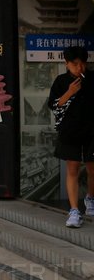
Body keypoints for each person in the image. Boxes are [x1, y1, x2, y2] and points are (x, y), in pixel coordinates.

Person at [49, 46, 94, 228]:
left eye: (82, 63)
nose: (80, 67)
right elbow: (53, 105)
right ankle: (74, 210)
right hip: (70, 131)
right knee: (73, 169)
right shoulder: (61, 81)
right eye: (75, 64)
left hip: (92, 131)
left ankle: (90, 199)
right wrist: (69, 92)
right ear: (67, 64)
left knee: (93, 168)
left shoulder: (93, 78)